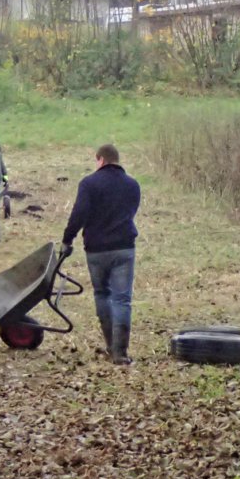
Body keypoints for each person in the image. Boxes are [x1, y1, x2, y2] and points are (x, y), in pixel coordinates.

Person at [60, 144, 141, 365]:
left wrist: (68, 239)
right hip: (124, 247)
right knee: (122, 299)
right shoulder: (132, 185)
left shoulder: (89, 183)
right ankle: (120, 352)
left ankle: (109, 344)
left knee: (102, 294)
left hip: (96, 249)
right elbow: (132, 211)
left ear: (101, 160)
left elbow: (79, 214)